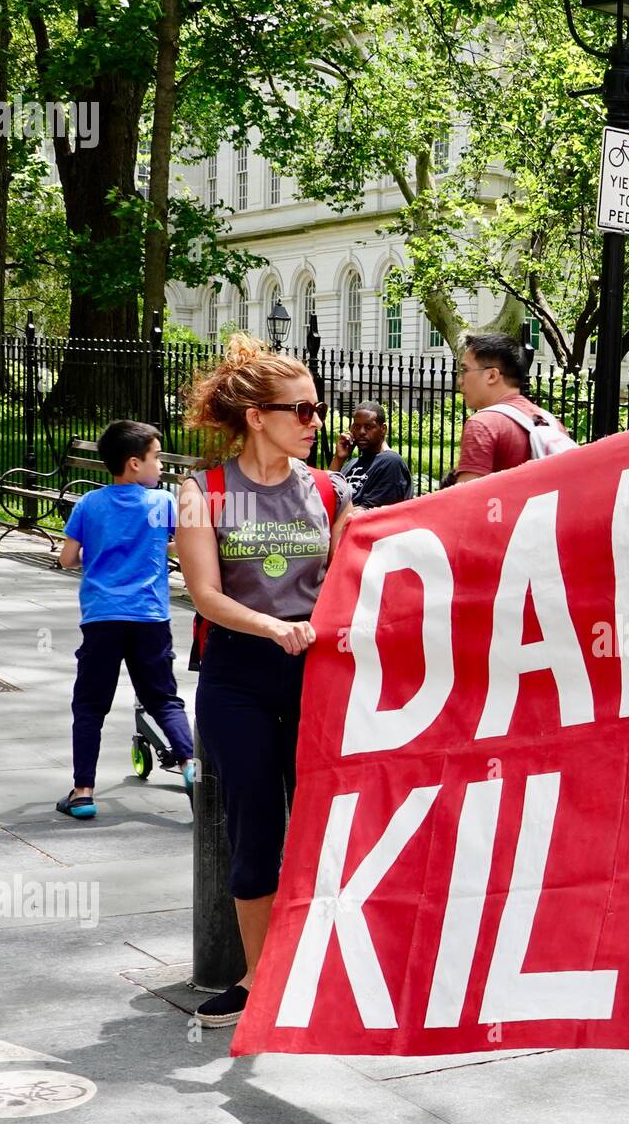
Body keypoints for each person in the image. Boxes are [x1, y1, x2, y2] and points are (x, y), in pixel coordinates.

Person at [176, 334, 352, 1029]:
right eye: (302, 409)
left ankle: (313, 967)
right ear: (256, 416)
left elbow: (350, 578)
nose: (316, 421)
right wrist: (272, 626)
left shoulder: (333, 489)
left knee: (321, 825)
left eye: (318, 408)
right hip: (239, 677)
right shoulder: (204, 491)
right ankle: (258, 981)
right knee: (257, 831)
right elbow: (203, 594)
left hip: (316, 675)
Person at [56, 420, 195, 820]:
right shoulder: (161, 504)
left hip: (101, 617)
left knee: (89, 705)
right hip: (150, 616)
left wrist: (97, 555)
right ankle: (188, 765)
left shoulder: (88, 505)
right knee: (164, 699)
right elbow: (178, 543)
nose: (160, 467)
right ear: (134, 463)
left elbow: (67, 558)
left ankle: (82, 792)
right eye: (155, 458)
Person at [454, 332, 572, 482]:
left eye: (465, 370)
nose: (460, 380)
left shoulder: (483, 424)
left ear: (492, 375)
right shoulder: (553, 424)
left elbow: (466, 500)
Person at [329, 400, 412, 507]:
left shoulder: (391, 462)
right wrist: (338, 458)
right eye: (357, 427)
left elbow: (368, 511)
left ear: (383, 429)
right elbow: (324, 495)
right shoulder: (351, 464)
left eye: (368, 427)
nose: (361, 432)